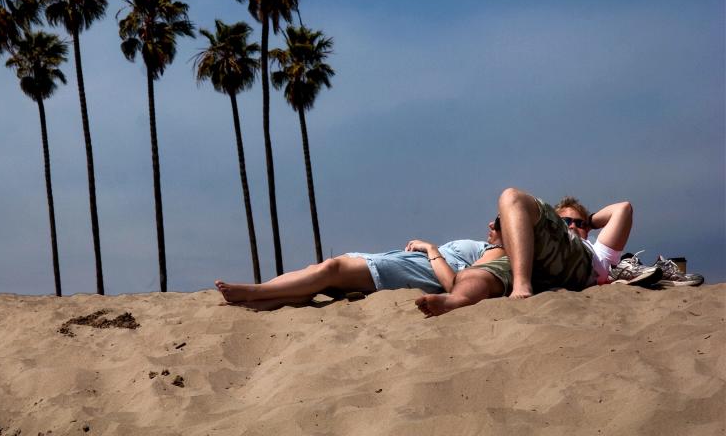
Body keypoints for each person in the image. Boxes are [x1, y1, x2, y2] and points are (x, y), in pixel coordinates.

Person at [415, 188, 646, 317]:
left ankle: (521, 286)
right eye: (566, 220)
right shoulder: (534, 244)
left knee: (511, 197)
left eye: (579, 223)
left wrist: (589, 222)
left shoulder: (598, 252)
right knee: (476, 274)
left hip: (575, 268)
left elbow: (623, 209)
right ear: (553, 224)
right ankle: (456, 301)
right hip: (537, 269)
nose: (573, 225)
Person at [215, 220, 505, 311]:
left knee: (329, 270)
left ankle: (254, 292)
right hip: (396, 261)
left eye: (500, 222)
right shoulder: (487, 251)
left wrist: (431, 249)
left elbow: (454, 286)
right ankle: (284, 296)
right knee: (319, 271)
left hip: (403, 270)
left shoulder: (498, 254)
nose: (491, 224)